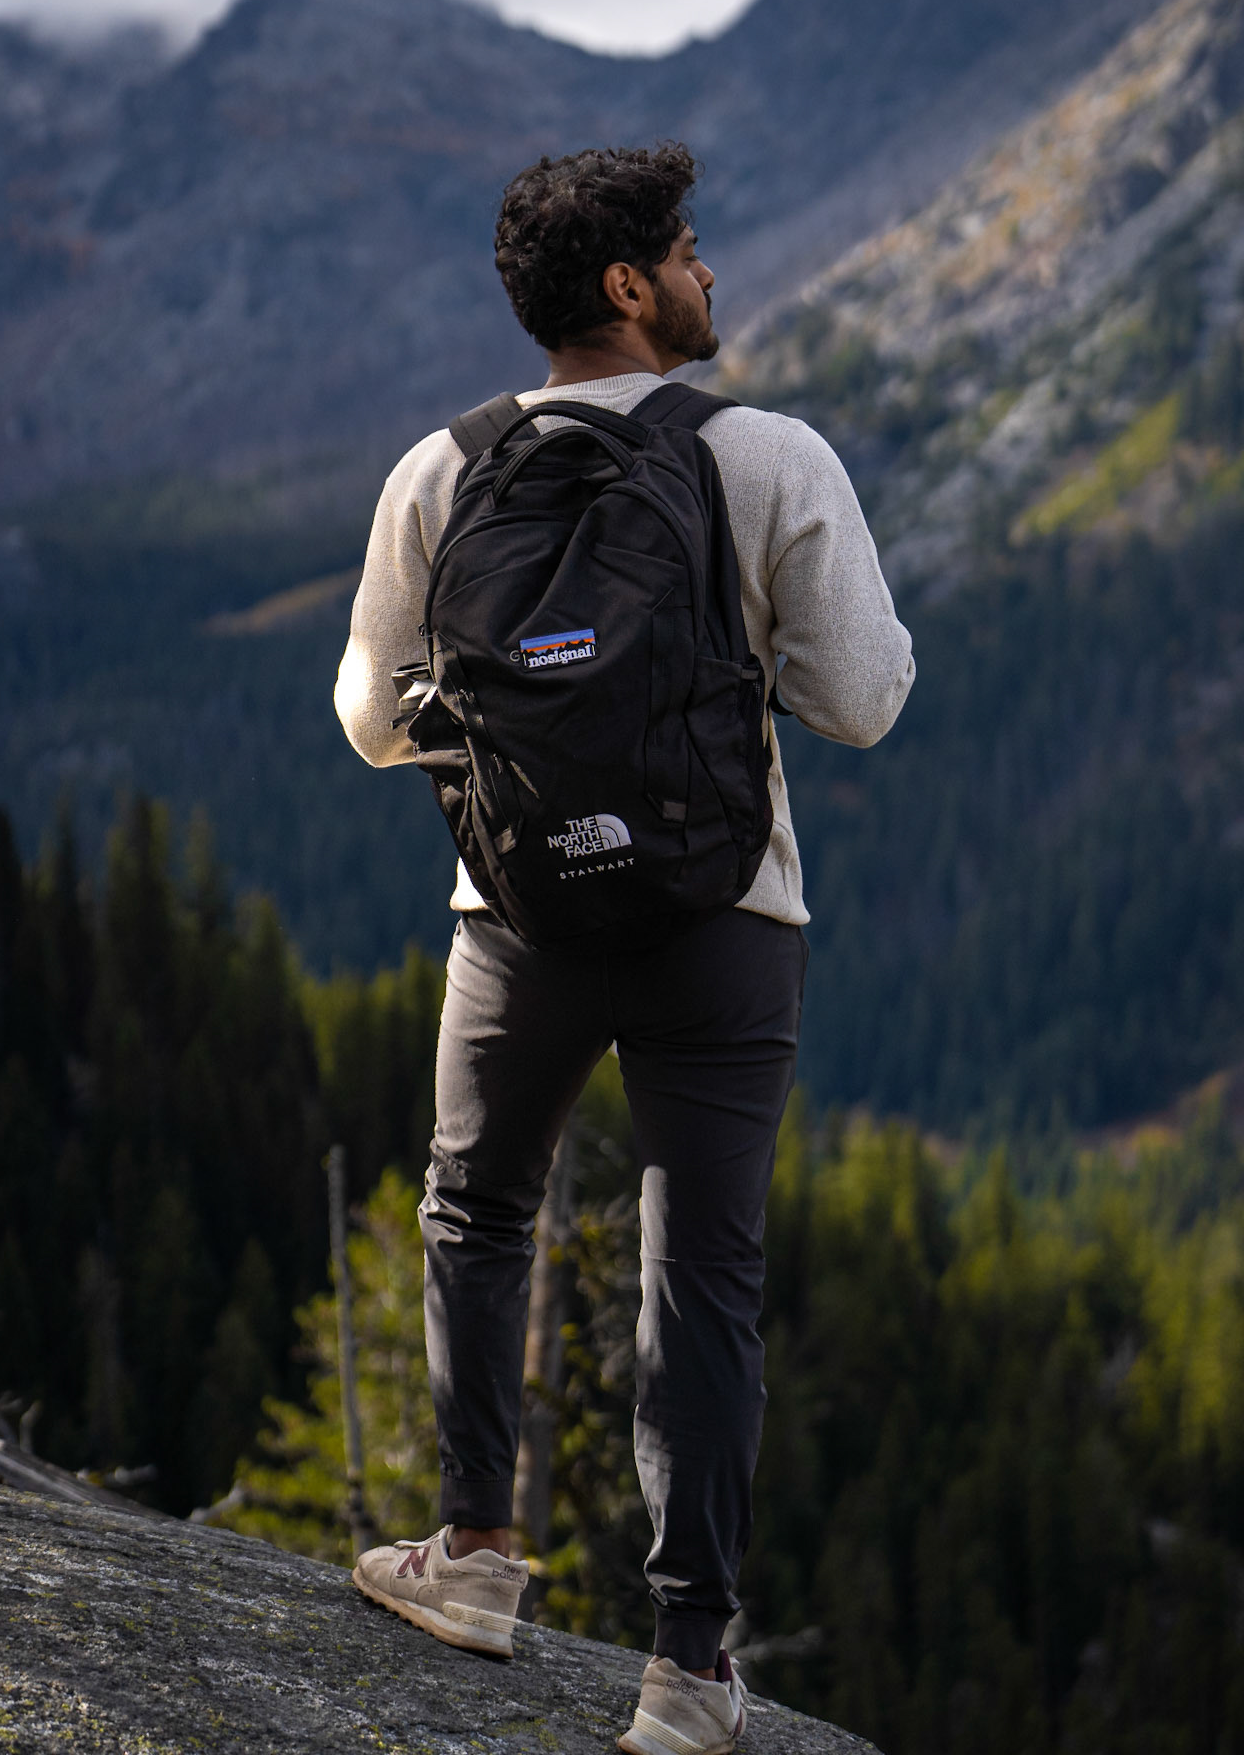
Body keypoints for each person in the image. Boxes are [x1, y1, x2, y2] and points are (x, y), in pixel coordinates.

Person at [333, 142, 913, 1755]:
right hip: (726, 917)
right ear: (627, 285)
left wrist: (527, 730)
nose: (708, 272)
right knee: (702, 1272)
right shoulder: (766, 455)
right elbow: (863, 699)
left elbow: (371, 720)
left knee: (476, 1208)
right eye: (688, 250)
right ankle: (688, 1670)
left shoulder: (441, 469)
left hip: (516, 920)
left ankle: (471, 1555)